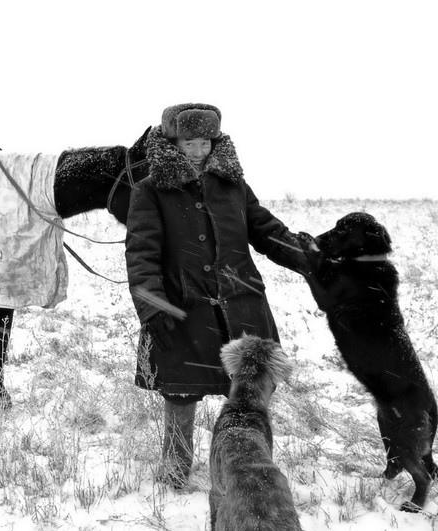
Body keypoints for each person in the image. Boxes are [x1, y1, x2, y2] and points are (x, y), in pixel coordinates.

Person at [125, 103, 311, 488]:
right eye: (189, 143)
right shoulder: (149, 191)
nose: (197, 152)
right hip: (182, 309)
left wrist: (307, 258)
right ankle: (176, 471)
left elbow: (265, 229)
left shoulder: (234, 186)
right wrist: (153, 308)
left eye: (205, 143)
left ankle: (251, 469)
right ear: (171, 143)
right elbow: (141, 254)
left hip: (242, 306)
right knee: (180, 393)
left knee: (251, 397)